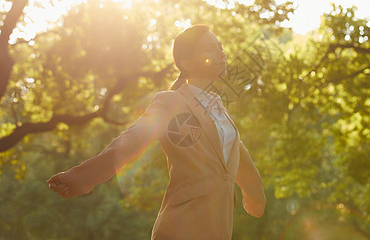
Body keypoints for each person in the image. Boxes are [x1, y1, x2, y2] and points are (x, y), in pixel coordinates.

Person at [47, 24, 266, 239]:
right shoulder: (171, 102)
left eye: (220, 46)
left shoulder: (222, 113)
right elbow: (133, 139)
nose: (220, 53)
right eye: (210, 48)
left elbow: (240, 161)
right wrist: (81, 178)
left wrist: (256, 200)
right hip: (180, 227)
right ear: (187, 63)